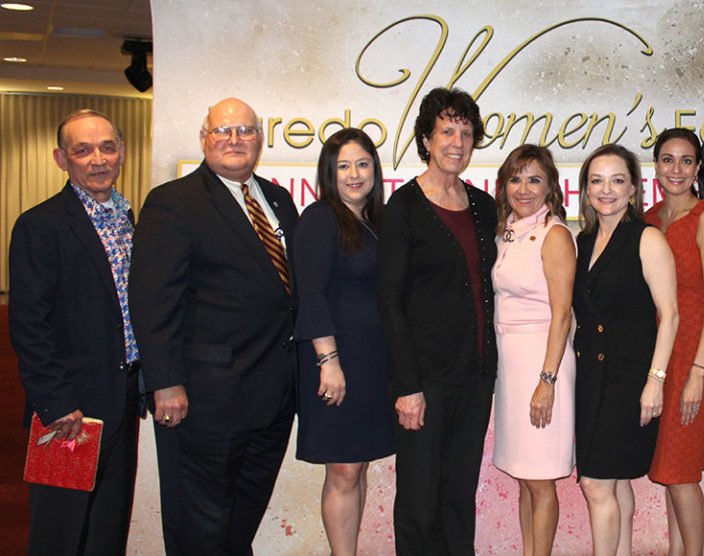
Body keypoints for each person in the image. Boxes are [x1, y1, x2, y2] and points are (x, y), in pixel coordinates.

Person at [129, 98, 299, 556]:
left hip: (273, 400)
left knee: (238, 526)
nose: (234, 140)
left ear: (260, 140)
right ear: (204, 138)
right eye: (223, 131)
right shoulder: (173, 203)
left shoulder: (278, 199)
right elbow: (151, 301)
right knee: (199, 529)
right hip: (204, 403)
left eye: (244, 131)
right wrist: (165, 383)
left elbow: (289, 295)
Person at [8, 109, 142, 556]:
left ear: (121, 152)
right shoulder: (40, 225)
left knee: (107, 529)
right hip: (69, 412)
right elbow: (28, 324)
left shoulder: (128, 219)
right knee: (59, 536)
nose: (97, 159)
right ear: (61, 159)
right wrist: (56, 403)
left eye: (106, 147)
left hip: (122, 400)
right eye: (82, 150)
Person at [377, 87, 497, 555]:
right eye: (447, 130)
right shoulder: (403, 209)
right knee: (420, 504)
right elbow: (389, 301)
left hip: (476, 379)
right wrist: (407, 387)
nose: (458, 142)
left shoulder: (485, 207)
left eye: (467, 133)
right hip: (423, 382)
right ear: (425, 139)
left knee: (457, 500)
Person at [292, 128, 395, 555]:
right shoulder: (320, 218)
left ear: (375, 169)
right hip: (336, 365)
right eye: (343, 166)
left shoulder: (377, 223)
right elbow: (310, 294)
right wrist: (328, 362)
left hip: (373, 365)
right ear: (329, 174)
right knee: (343, 470)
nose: (354, 174)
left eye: (363, 164)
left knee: (358, 464)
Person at [573, 144, 679, 556]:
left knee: (595, 482)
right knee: (613, 482)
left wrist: (655, 382)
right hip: (591, 380)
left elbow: (669, 315)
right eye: (597, 180)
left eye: (617, 180)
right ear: (584, 190)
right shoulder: (582, 242)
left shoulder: (647, 238)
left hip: (630, 379)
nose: (607, 189)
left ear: (634, 188)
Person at [644, 128, 704, 556]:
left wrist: (698, 373)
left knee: (679, 469)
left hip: (695, 355)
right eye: (667, 159)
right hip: (659, 356)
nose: (676, 169)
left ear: (698, 168)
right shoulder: (649, 217)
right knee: (667, 467)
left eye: (686, 161)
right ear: (655, 165)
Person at [491, 144, 576, 556]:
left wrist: (547, 381)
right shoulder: (506, 231)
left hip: (544, 363)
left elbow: (562, 316)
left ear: (550, 188)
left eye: (534, 179)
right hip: (511, 366)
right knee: (525, 477)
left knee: (541, 479)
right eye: (515, 178)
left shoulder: (555, 234)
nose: (523, 188)